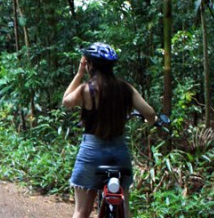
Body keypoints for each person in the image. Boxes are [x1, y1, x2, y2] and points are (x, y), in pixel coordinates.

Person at [62, 42, 157, 218]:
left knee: (81, 211)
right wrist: (151, 122)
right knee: (125, 210)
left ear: (89, 65)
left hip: (91, 153)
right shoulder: (126, 89)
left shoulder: (86, 89)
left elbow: (66, 101)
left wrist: (79, 73)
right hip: (119, 154)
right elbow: (150, 113)